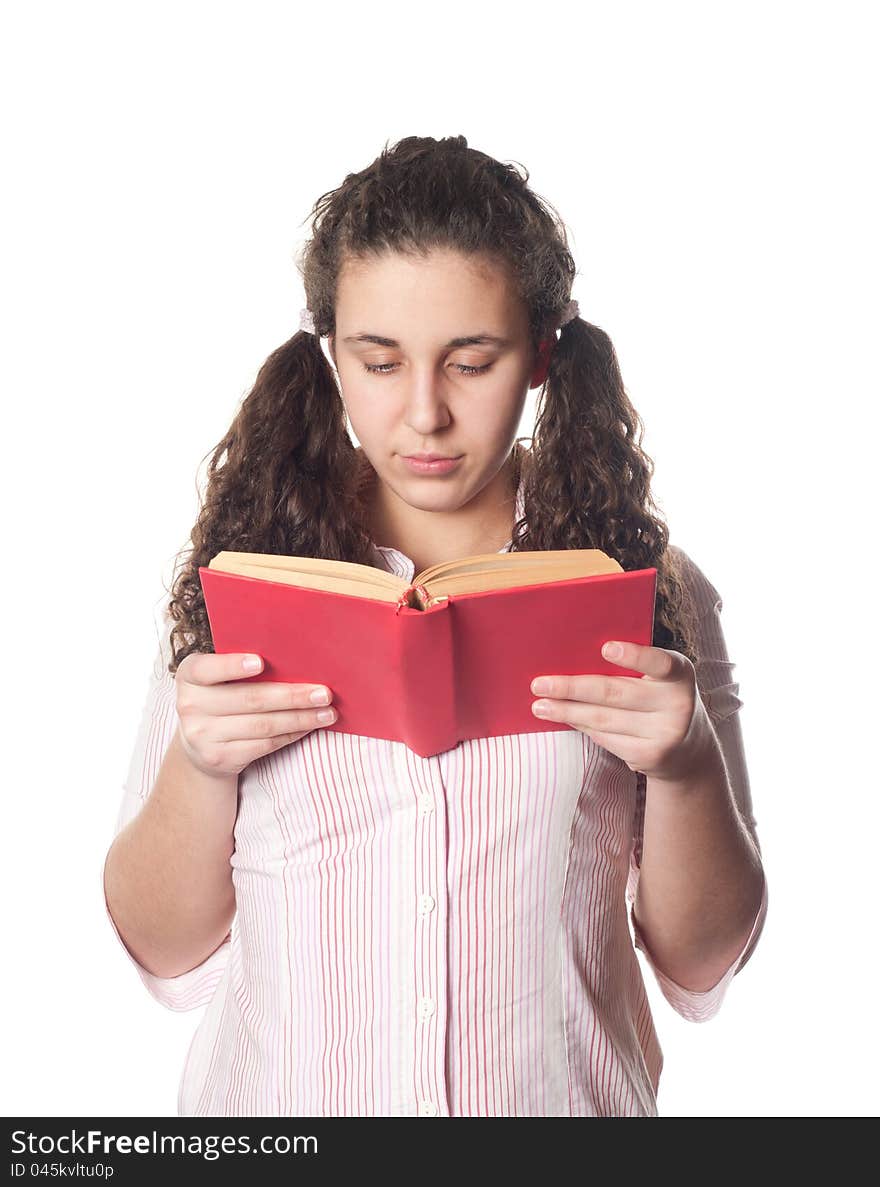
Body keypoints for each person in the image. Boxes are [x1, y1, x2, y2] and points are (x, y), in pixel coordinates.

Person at [103, 134, 768, 1117]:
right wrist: (201, 767)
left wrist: (685, 763)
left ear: (541, 352)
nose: (423, 414)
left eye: (470, 361)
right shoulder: (247, 575)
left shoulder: (649, 588)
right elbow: (162, 946)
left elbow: (702, 958)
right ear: (330, 352)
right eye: (379, 360)